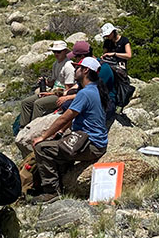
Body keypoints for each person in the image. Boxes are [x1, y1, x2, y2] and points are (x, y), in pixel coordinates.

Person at [29, 56, 110, 202]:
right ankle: (63, 181)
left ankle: (51, 191)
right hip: (94, 142)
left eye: (78, 67)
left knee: (42, 149)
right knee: (59, 144)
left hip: (90, 144)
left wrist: (43, 137)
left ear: (85, 70)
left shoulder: (85, 93)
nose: (75, 70)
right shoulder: (95, 90)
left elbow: (64, 118)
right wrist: (59, 133)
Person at [58, 40, 117, 128]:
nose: (75, 60)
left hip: (105, 101)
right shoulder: (86, 68)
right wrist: (65, 93)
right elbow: (79, 85)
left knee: (71, 106)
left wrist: (68, 97)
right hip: (91, 98)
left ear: (82, 56)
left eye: (76, 57)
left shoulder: (102, 69)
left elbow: (94, 92)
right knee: (67, 104)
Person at [19, 40, 76, 127]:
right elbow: (53, 82)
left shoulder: (68, 66)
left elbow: (68, 90)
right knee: (25, 102)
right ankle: (22, 127)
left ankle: (33, 128)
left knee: (38, 104)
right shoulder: (56, 64)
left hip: (60, 95)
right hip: (53, 91)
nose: (56, 54)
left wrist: (50, 93)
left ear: (64, 51)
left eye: (59, 52)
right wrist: (45, 82)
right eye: (54, 52)